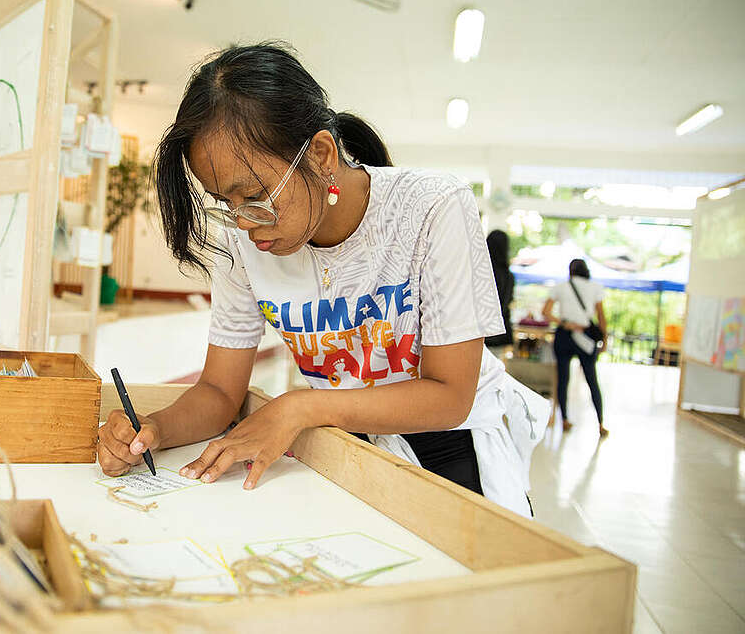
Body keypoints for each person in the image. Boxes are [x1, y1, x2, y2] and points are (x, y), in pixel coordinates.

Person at [96, 42, 546, 518]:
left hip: (452, 446)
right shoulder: (242, 242)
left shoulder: (431, 207)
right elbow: (219, 392)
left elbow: (450, 396)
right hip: (342, 441)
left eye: (254, 196)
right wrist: (155, 430)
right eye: (224, 204)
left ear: (322, 154)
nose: (245, 222)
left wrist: (300, 408)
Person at [542, 259, 608, 437]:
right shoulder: (595, 287)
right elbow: (601, 317)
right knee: (592, 379)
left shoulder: (561, 287)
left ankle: (564, 420)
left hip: (564, 334)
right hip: (586, 336)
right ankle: (600, 423)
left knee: (563, 378)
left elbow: (545, 312)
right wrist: (605, 341)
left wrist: (563, 322)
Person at [484, 230, 514, 352]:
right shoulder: (508, 275)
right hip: (499, 330)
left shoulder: (481, 272)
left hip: (478, 332)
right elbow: (508, 302)